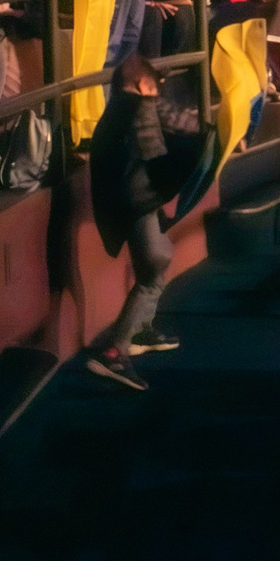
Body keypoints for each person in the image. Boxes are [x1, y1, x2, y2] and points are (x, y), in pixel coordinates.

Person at [83, 54, 208, 389]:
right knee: (153, 270)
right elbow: (159, 145)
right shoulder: (139, 107)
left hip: (130, 201)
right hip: (137, 202)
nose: (158, 93)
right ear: (142, 85)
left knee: (158, 259)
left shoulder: (116, 110)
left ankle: (142, 329)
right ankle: (114, 352)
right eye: (155, 86)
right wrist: (211, 135)